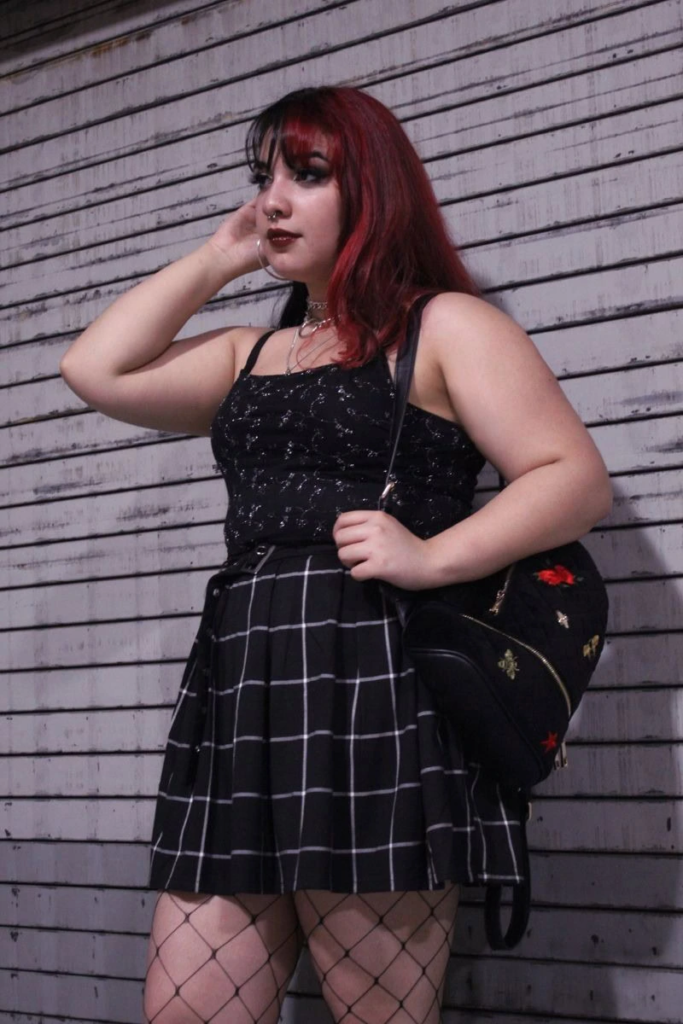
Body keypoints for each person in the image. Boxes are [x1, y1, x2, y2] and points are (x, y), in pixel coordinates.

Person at [60, 86, 611, 1024]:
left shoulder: (443, 327)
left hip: (372, 685)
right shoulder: (251, 349)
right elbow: (95, 369)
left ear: (371, 194)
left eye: (305, 175)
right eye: (263, 177)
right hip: (242, 692)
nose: (273, 198)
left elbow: (572, 478)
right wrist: (224, 253)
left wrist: (432, 557)